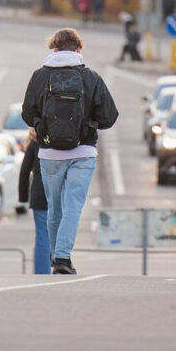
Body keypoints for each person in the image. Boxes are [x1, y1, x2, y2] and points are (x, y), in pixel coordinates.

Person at [21, 28, 118, 274]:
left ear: (53, 48)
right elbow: (109, 116)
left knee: (55, 208)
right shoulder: (92, 77)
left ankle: (57, 258)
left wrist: (42, 126)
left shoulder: (39, 76)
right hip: (83, 152)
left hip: (49, 153)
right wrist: (89, 125)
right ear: (79, 49)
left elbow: (27, 112)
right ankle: (63, 258)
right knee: (73, 205)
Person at [18, 129, 51, 274]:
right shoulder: (60, 141)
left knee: (42, 234)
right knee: (59, 233)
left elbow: (24, 171)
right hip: (59, 191)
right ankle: (61, 266)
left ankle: (41, 272)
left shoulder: (35, 143)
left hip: (39, 192)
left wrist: (23, 197)